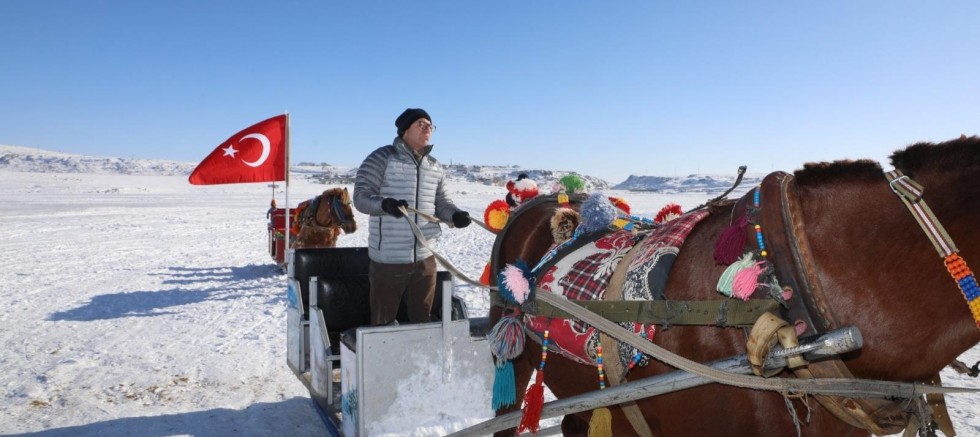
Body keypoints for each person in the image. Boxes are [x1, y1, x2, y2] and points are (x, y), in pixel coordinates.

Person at [353, 108, 471, 325]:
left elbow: (442, 203)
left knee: (422, 321)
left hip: (425, 258)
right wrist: (385, 205)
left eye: (430, 126)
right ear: (404, 130)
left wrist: (455, 216)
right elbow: (360, 197)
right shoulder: (382, 157)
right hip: (388, 258)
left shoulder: (434, 166)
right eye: (421, 124)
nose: (427, 129)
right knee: (383, 324)